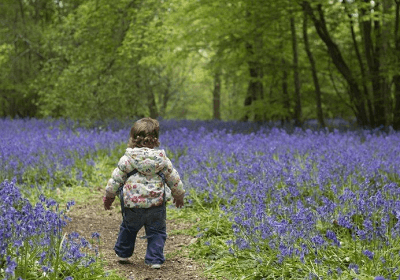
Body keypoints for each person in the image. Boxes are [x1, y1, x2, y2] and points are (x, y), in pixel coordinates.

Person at [103, 117, 185, 269]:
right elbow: (173, 178)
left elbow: (115, 180)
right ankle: (154, 259)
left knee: (128, 228)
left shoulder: (127, 159)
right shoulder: (162, 160)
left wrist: (109, 196)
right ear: (156, 140)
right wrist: (178, 195)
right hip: (156, 205)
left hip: (133, 205)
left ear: (133, 139)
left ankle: (123, 253)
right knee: (157, 231)